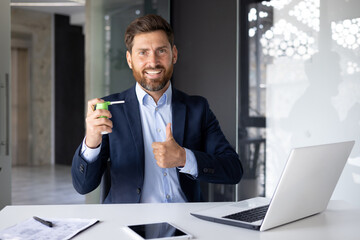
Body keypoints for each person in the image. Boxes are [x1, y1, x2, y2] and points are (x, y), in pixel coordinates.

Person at [71, 14, 243, 204]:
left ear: (174, 54)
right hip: (128, 228)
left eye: (161, 51)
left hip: (185, 227)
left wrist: (184, 158)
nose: (152, 62)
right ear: (129, 60)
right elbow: (83, 186)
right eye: (142, 52)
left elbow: (233, 170)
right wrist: (92, 141)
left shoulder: (197, 108)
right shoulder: (110, 111)